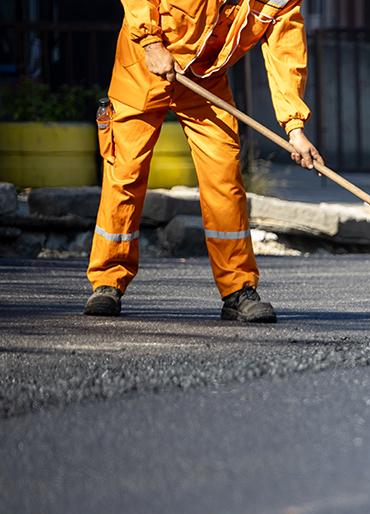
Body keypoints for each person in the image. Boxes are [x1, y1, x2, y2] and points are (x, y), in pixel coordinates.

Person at [84, 0, 323, 323]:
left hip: (203, 81)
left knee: (224, 179)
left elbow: (286, 54)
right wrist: (151, 42)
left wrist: (294, 127)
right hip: (141, 68)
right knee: (126, 173)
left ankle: (237, 289)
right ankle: (108, 282)